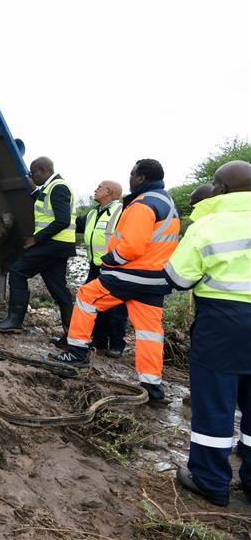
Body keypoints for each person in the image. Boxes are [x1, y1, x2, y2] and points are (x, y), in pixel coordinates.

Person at [51, 159, 180, 401]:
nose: (130, 178)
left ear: (141, 178)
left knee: (86, 297)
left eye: (132, 174)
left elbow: (131, 247)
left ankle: (77, 353)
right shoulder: (168, 202)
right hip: (154, 280)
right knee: (149, 332)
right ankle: (152, 386)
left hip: (130, 274)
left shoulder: (143, 204)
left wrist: (109, 260)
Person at [165, 160, 251, 507]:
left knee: (215, 404)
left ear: (223, 189)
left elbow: (178, 278)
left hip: (222, 323)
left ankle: (210, 480)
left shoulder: (208, 225)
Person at [0, 156, 76, 335]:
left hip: (53, 244)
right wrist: (33, 190)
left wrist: (35, 239)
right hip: (58, 245)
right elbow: (46, 207)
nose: (31, 176)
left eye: (32, 172)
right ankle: (73, 336)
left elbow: (62, 220)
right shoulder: (51, 187)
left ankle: (14, 321)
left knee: (18, 271)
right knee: (58, 289)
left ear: (42, 170)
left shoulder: (58, 187)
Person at [72, 180, 128, 358]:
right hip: (95, 266)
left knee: (117, 307)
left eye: (99, 188)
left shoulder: (121, 212)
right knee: (94, 303)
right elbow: (74, 224)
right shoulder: (93, 213)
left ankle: (117, 344)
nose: (95, 190)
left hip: (115, 266)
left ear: (109, 192)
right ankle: (99, 340)